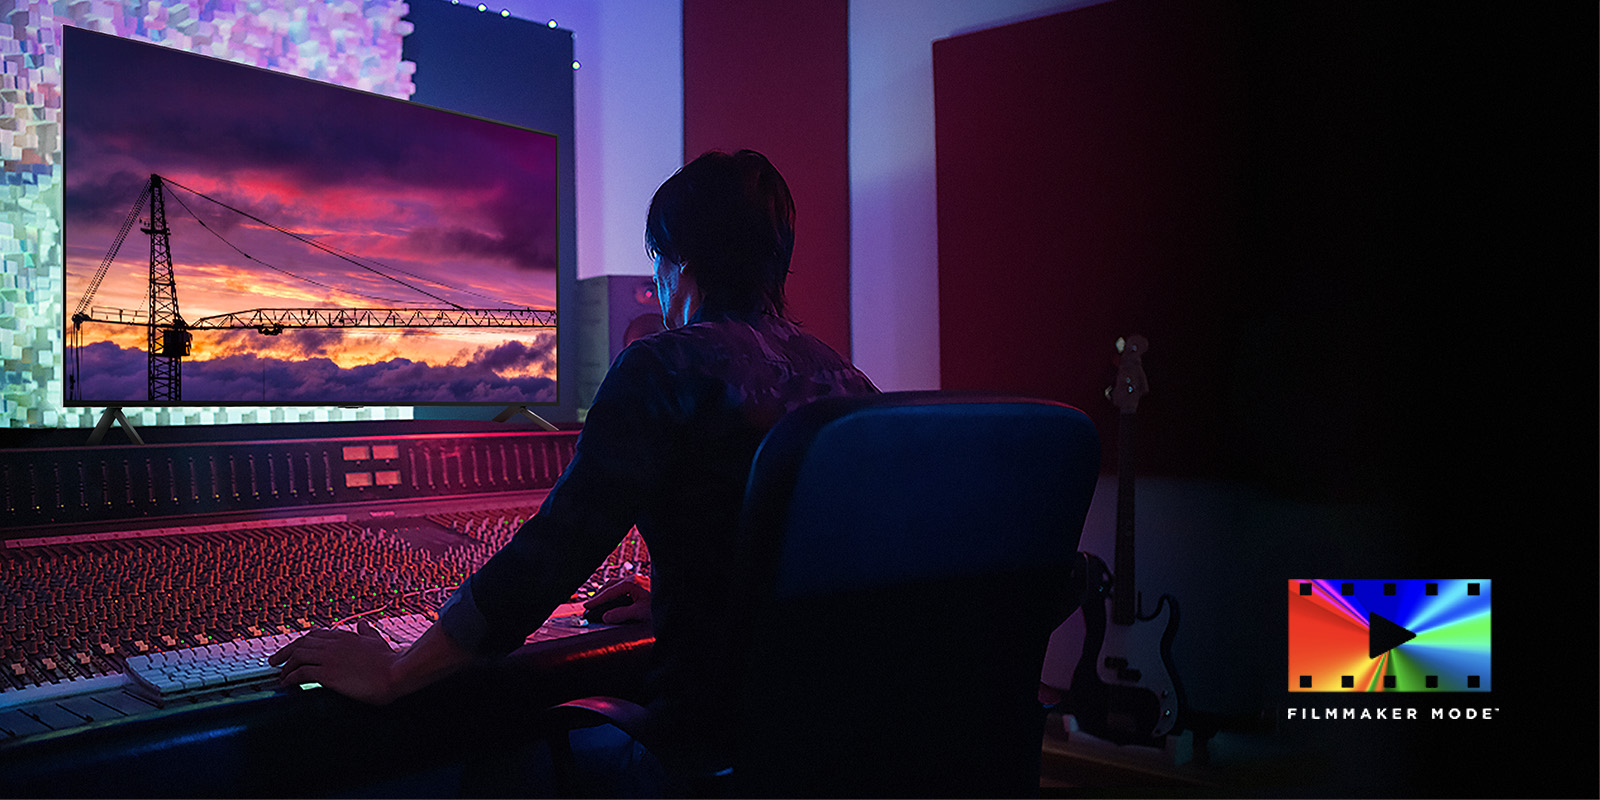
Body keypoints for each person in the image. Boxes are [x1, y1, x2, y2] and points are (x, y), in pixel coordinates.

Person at [269, 149, 878, 786]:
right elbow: (819, 565)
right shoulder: (849, 385)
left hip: (705, 747)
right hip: (834, 746)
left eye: (657, 265)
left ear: (682, 267)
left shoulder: (662, 369)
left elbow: (553, 553)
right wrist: (695, 596)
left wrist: (398, 671)